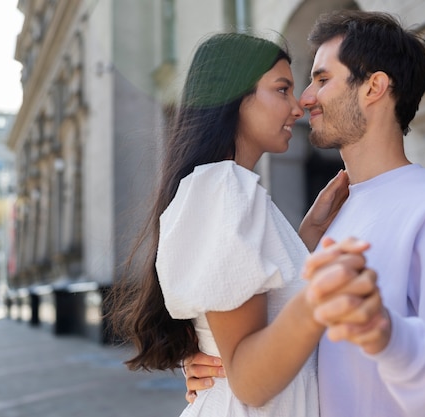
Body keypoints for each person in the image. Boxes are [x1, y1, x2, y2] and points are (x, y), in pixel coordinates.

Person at [183, 10, 425, 417]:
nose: (305, 98)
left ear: (374, 87)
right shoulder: (335, 214)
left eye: (322, 79)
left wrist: (391, 336)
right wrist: (219, 367)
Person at [106, 31, 378, 416]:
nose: (298, 107)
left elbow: (258, 308)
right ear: (235, 95)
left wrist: (309, 234)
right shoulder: (225, 187)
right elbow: (249, 379)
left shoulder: (228, 188)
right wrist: (326, 294)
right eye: (282, 89)